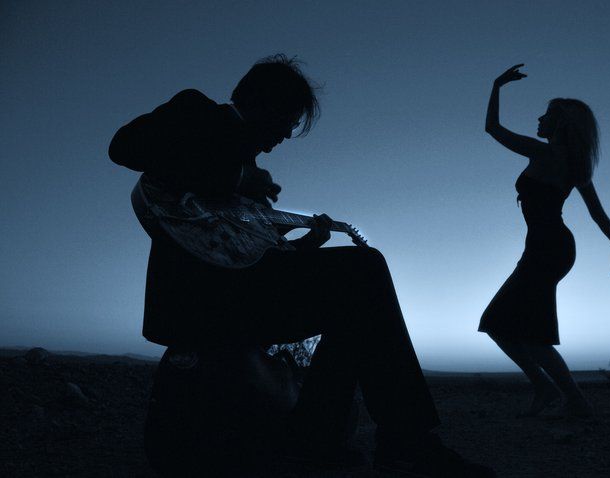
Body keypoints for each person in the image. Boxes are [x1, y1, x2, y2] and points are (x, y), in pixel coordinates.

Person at [109, 54, 495, 477]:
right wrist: (239, 178)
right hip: (201, 299)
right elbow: (125, 146)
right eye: (287, 121)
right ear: (261, 103)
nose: (285, 136)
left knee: (356, 301)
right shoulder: (197, 112)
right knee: (364, 268)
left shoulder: (248, 177)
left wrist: (307, 244)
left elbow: (252, 254)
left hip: (245, 296)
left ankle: (317, 440)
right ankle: (403, 441)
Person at [479, 64, 610, 417]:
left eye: (546, 115)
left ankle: (573, 400)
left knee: (519, 330)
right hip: (549, 248)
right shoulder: (574, 166)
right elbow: (597, 213)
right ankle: (548, 389)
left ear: (560, 124)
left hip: (547, 250)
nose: (539, 118)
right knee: (501, 323)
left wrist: (497, 85)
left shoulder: (543, 153)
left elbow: (492, 128)